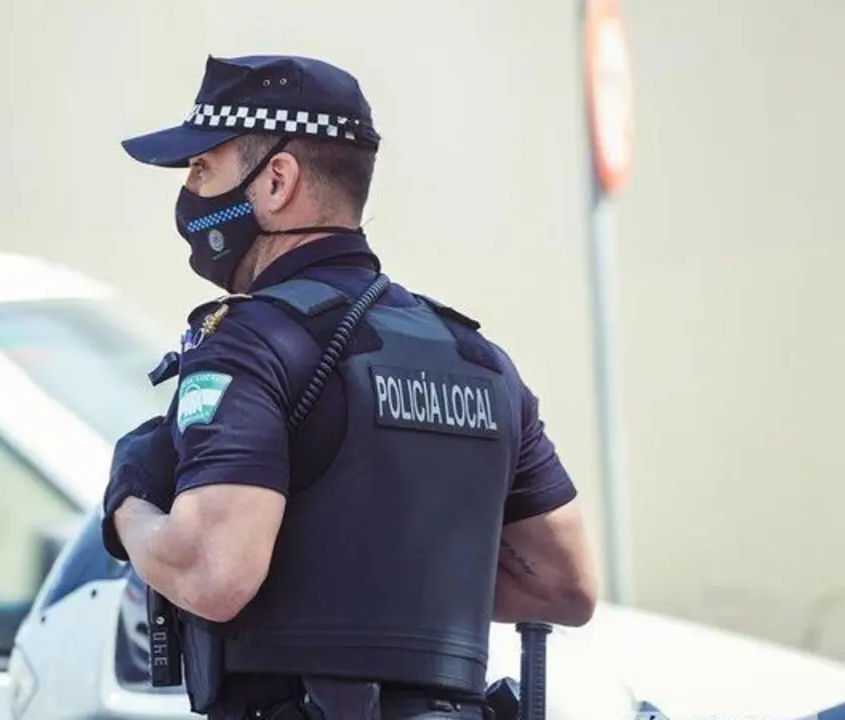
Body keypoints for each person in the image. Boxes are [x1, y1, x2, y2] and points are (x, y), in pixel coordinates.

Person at [101, 54, 599, 719]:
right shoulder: (477, 359)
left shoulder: (252, 343)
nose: (190, 192)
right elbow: (562, 587)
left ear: (276, 181)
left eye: (202, 168)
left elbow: (211, 574)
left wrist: (129, 501)